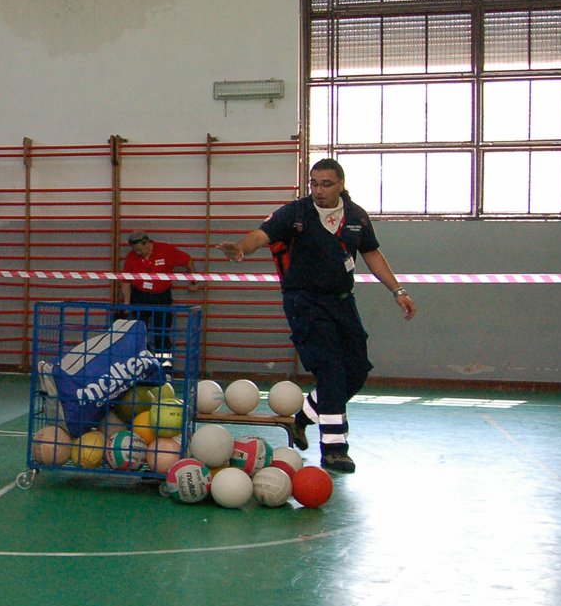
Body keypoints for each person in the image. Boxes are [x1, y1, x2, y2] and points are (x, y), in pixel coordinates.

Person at [218, 158, 416, 473]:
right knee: (331, 370)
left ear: (341, 185)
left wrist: (398, 291)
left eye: (326, 184)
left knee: (356, 370)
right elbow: (261, 235)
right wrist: (242, 248)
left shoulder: (356, 218)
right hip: (304, 302)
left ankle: (304, 416)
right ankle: (335, 449)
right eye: (314, 183)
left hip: (342, 302)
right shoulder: (296, 213)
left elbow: (372, 254)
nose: (318, 190)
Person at [121, 231, 199, 370]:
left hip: (161, 296)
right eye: (135, 250)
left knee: (162, 333)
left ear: (147, 243)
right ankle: (144, 367)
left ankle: (165, 367)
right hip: (139, 297)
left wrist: (194, 281)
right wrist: (127, 302)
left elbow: (188, 260)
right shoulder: (131, 257)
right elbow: (126, 281)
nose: (138, 253)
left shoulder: (166, 250)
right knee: (139, 333)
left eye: (139, 249)